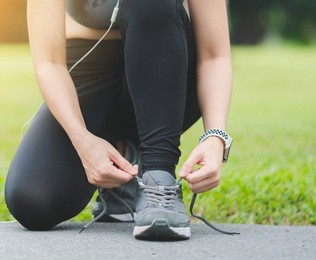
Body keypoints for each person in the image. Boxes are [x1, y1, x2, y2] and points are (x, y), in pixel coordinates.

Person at [5, 0, 233, 240]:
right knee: (33, 200)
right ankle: (124, 159)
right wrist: (81, 138)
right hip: (86, 73)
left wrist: (216, 136)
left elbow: (214, 56)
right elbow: (49, 63)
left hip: (167, 71)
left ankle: (158, 181)